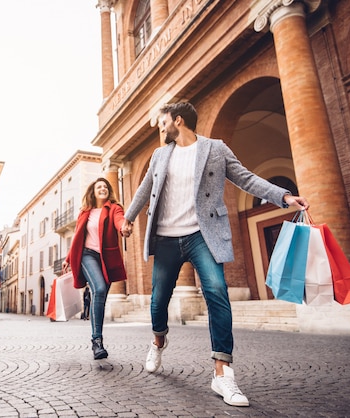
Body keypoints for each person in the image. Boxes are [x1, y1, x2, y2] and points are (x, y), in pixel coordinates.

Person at [121, 102, 309, 407]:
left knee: (217, 291)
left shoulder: (215, 149)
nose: (160, 127)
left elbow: (246, 178)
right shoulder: (159, 154)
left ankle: (222, 372)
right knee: (158, 301)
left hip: (202, 235)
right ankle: (158, 340)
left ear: (178, 120)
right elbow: (144, 189)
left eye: (162, 121)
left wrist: (283, 196)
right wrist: (128, 218)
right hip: (167, 239)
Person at [63, 177, 130, 359]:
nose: (103, 188)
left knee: (100, 296)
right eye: (99, 186)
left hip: (105, 258)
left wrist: (124, 227)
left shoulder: (114, 208)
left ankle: (97, 339)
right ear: (93, 191)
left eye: (105, 186)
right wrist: (69, 258)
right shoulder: (85, 212)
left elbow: (119, 220)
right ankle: (97, 341)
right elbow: (77, 236)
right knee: (99, 289)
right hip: (86, 255)